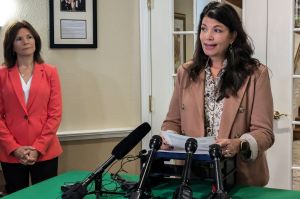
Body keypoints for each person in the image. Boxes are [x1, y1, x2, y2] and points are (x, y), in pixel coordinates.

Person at [161, 1, 274, 186]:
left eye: (217, 30)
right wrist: (169, 137)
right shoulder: (185, 72)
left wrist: (239, 144)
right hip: (192, 175)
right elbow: (172, 121)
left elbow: (264, 132)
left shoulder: (256, 74)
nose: (208, 37)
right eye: (204, 29)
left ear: (233, 36)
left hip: (240, 177)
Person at [0, 20, 63, 193]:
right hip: (11, 153)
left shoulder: (50, 72)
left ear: (35, 41)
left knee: (46, 195)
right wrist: (14, 148)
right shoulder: (2, 74)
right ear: (11, 46)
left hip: (45, 151)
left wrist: (38, 147)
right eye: (19, 39)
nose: (26, 41)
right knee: (16, 195)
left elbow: (55, 114)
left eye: (29, 37)